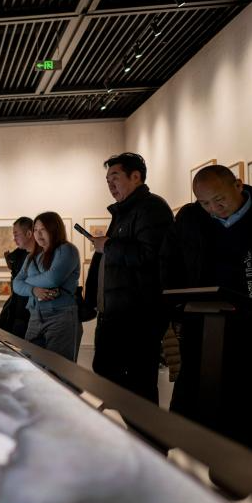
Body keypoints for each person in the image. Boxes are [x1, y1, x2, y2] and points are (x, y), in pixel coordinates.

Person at [161, 164, 252, 449]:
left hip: (248, 327)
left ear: (238, 185)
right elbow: (170, 262)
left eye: (219, 200)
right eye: (205, 203)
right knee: (198, 398)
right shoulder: (191, 219)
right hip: (204, 323)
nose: (214, 209)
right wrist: (177, 304)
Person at [85, 152, 173, 404]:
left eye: (115, 177)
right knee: (108, 378)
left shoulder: (151, 207)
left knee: (138, 387)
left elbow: (150, 255)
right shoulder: (124, 212)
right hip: (115, 314)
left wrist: (108, 245)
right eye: (107, 180)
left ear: (136, 177)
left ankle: (143, 430)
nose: (110, 184)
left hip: (137, 317)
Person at [11, 212, 82, 361]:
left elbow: (52, 279)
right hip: (35, 316)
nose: (38, 234)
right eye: (36, 230)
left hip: (60, 316)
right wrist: (33, 290)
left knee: (58, 366)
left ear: (54, 229)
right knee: (31, 364)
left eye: (43, 229)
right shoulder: (32, 256)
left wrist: (27, 280)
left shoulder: (66, 250)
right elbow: (16, 284)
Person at [0, 216, 35, 337]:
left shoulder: (42, 256)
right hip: (18, 314)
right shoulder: (18, 256)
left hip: (32, 315)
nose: (14, 239)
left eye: (16, 234)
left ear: (29, 233)